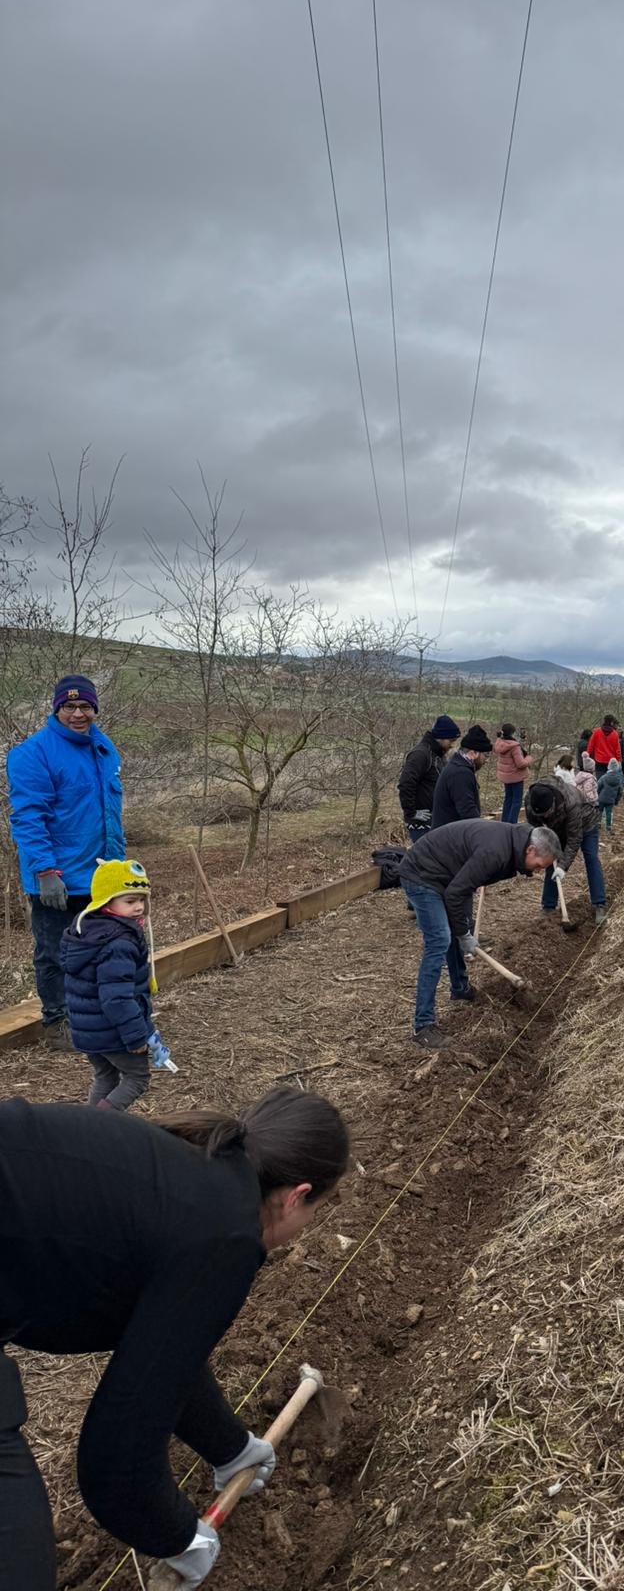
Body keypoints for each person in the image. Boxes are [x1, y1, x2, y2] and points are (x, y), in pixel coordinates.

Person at [0, 1087, 350, 1591]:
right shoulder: (225, 1236)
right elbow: (116, 1462)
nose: (308, 1224)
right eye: (317, 1209)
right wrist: (176, 1535)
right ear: (297, 1196)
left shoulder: (190, 1172)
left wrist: (231, 1448)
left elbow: (161, 1357)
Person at [6, 674, 124, 1049]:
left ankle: (91, 1014)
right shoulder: (33, 753)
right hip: (55, 877)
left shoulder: (103, 747)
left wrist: (118, 869)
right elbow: (29, 817)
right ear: (56, 709)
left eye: (85, 706)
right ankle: (58, 1022)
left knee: (99, 949)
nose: (77, 714)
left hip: (100, 874)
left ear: (95, 709)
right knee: (55, 953)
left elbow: (110, 814)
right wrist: (45, 870)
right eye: (69, 706)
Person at [395, 819, 562, 1050]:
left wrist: (463, 926)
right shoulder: (495, 852)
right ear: (531, 849)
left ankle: (460, 989)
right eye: (540, 865)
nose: (539, 871)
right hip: (422, 874)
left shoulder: (514, 844)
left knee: (453, 929)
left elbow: (461, 889)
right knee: (440, 939)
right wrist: (464, 934)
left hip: (447, 875)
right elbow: (455, 893)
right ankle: (422, 1026)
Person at [61, 859, 171, 1110]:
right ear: (106, 901)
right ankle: (99, 1126)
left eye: (142, 900)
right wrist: (136, 1037)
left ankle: (88, 1124)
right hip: (113, 1032)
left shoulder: (89, 930)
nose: (139, 907)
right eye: (130, 901)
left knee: (106, 1077)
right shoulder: (118, 943)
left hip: (89, 1030)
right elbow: (116, 998)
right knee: (137, 1078)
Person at [525, 778, 608, 925]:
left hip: (585, 823)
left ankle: (599, 904)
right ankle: (548, 907)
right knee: (550, 861)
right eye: (541, 815)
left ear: (553, 803)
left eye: (547, 813)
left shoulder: (571, 802)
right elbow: (535, 828)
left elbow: (574, 839)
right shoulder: (531, 801)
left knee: (591, 858)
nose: (545, 817)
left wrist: (563, 866)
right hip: (557, 828)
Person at [397, 715, 460, 842]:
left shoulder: (438, 755)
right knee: (426, 855)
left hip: (434, 820)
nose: (452, 745)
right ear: (441, 737)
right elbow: (406, 783)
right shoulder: (420, 754)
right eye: (451, 740)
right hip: (421, 823)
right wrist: (411, 812)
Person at [431, 725, 492, 829]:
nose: (487, 760)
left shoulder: (458, 767)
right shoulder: (460, 773)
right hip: (449, 836)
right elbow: (468, 812)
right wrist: (482, 831)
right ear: (474, 753)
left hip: (451, 833)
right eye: (485, 755)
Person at [493, 724, 532, 824]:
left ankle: (504, 822)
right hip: (516, 777)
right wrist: (529, 759)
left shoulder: (500, 743)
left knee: (508, 799)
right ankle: (511, 823)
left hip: (506, 776)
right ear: (512, 733)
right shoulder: (514, 747)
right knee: (516, 801)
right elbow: (520, 764)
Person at [596, 756, 623, 830]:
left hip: (601, 798)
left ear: (609, 766)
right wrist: (617, 800)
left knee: (599, 810)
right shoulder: (619, 780)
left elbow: (598, 786)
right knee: (609, 812)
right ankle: (608, 825)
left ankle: (598, 822)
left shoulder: (604, 777)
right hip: (611, 799)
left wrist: (597, 795)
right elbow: (620, 791)